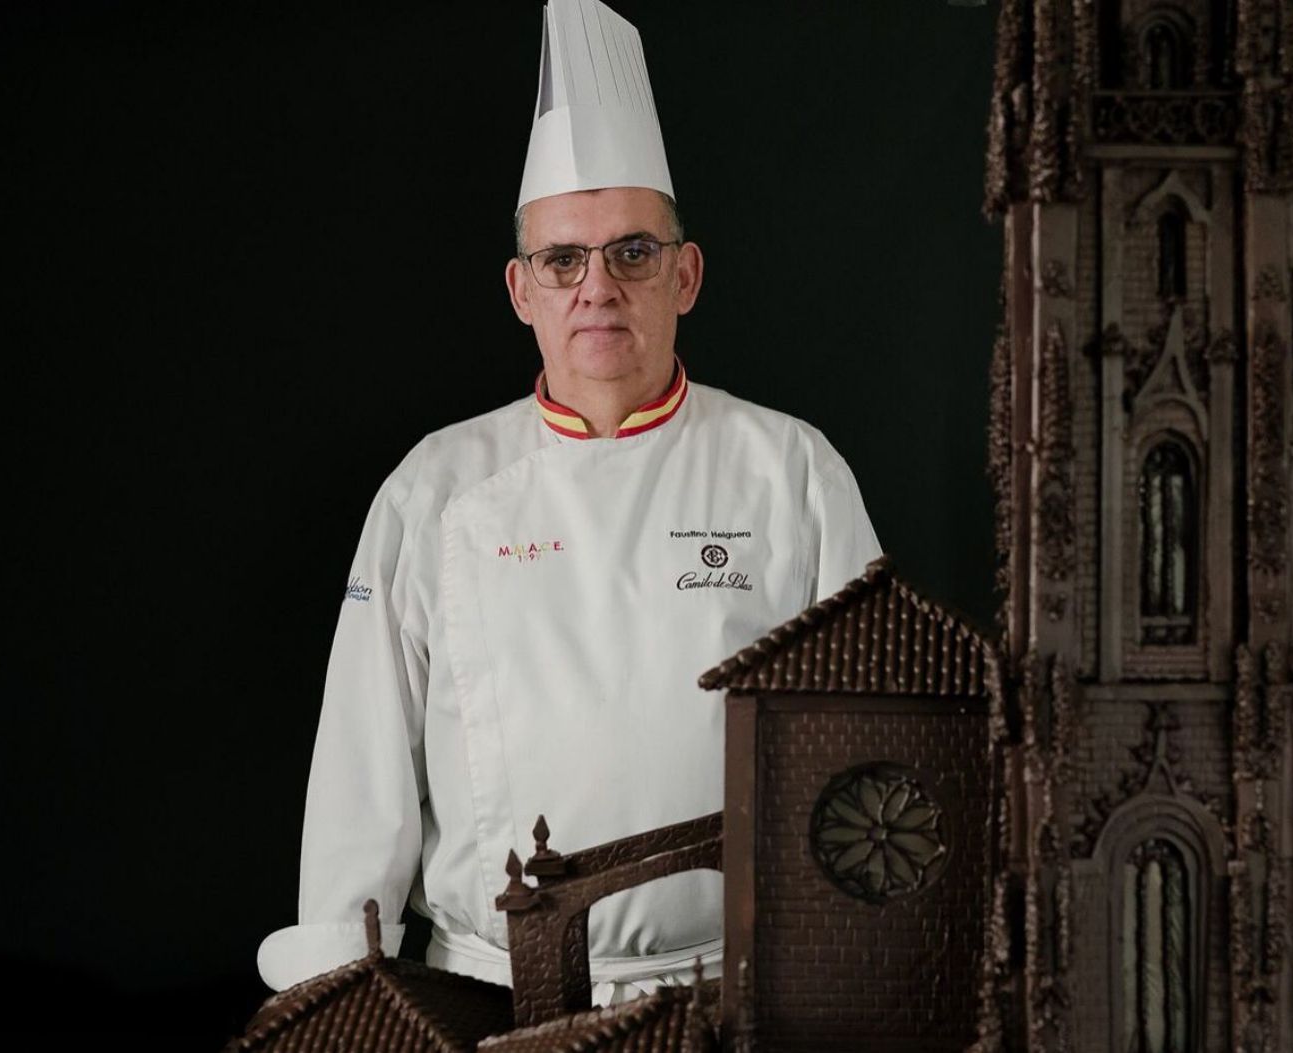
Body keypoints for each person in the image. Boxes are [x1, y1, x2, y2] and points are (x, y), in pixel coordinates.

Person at [256, 0, 880, 1004]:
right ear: (521, 289)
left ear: (685, 275)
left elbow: (867, 746)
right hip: (496, 998)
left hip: (739, 994)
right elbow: (361, 770)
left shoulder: (792, 471)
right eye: (564, 259)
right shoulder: (434, 488)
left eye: (632, 251)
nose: (598, 286)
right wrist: (344, 991)